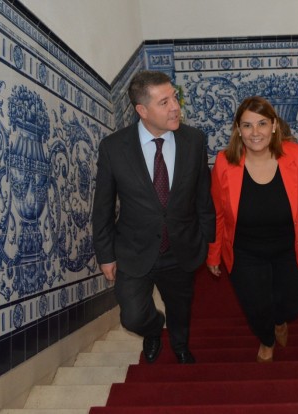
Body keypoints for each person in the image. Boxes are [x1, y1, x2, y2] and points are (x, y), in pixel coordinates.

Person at [92, 70, 215, 364]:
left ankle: (180, 345)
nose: (175, 106)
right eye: (164, 102)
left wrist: (208, 241)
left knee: (181, 307)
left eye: (174, 97)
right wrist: (106, 254)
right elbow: (103, 206)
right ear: (142, 110)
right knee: (133, 315)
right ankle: (151, 329)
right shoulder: (113, 148)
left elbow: (203, 197)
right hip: (133, 249)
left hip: (181, 247)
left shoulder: (194, 140)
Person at [207, 96, 298, 363]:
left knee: (294, 305)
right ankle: (266, 338)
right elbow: (217, 213)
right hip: (245, 250)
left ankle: (280, 320)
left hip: (290, 246)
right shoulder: (225, 163)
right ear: (238, 129)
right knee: (255, 305)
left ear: (274, 126)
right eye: (247, 125)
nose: (255, 132)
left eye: (262, 124)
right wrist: (214, 253)